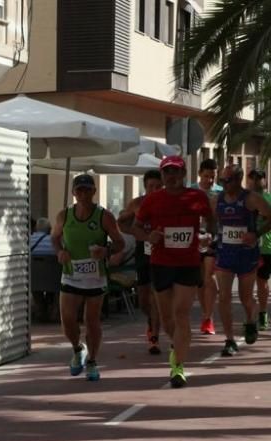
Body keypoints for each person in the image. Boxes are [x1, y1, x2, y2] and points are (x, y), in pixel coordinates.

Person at [133, 155, 218, 388]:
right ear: (162, 176)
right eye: (167, 172)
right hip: (161, 263)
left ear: (183, 175)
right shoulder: (153, 200)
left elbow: (211, 222)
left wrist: (208, 235)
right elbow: (136, 227)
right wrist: (148, 236)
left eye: (176, 172)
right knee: (167, 317)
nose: (171, 176)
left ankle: (178, 367)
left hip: (187, 263)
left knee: (181, 314)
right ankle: (176, 346)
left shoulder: (197, 197)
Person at [51, 174, 125, 381]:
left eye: (87, 190)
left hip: (95, 276)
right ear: (74, 193)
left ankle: (92, 360)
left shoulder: (104, 216)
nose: (83, 194)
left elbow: (120, 242)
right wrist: (59, 252)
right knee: (67, 320)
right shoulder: (64, 215)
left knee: (91, 321)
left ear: (93, 192)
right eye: (79, 190)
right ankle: (77, 349)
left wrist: (106, 250)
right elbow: (55, 237)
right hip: (71, 274)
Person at [213, 164, 271, 355]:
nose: (223, 184)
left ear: (238, 179)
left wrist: (256, 233)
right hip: (225, 254)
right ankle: (229, 340)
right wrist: (208, 236)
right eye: (221, 180)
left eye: (227, 180)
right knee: (224, 297)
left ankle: (250, 321)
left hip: (247, 254)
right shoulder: (217, 200)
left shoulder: (252, 198)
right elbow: (209, 221)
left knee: (246, 298)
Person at [118, 169, 163, 354]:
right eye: (151, 186)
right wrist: (139, 234)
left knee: (155, 297)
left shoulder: (166, 203)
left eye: (158, 186)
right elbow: (121, 223)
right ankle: (150, 322)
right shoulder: (137, 204)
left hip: (162, 253)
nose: (154, 189)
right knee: (144, 299)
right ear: (145, 186)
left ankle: (154, 337)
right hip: (142, 252)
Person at [192, 158, 222, 335]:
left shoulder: (220, 192)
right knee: (200, 281)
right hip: (194, 239)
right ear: (199, 175)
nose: (209, 180)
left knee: (209, 277)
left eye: (212, 177)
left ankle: (208, 318)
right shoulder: (191, 191)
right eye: (206, 176)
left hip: (214, 239)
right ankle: (205, 314)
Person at [248, 169, 271, 329]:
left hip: (267, 248)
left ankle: (263, 312)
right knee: (248, 284)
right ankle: (251, 317)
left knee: (262, 283)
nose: (256, 181)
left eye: (259, 178)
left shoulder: (269, 199)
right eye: (253, 178)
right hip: (249, 248)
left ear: (265, 181)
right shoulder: (245, 200)